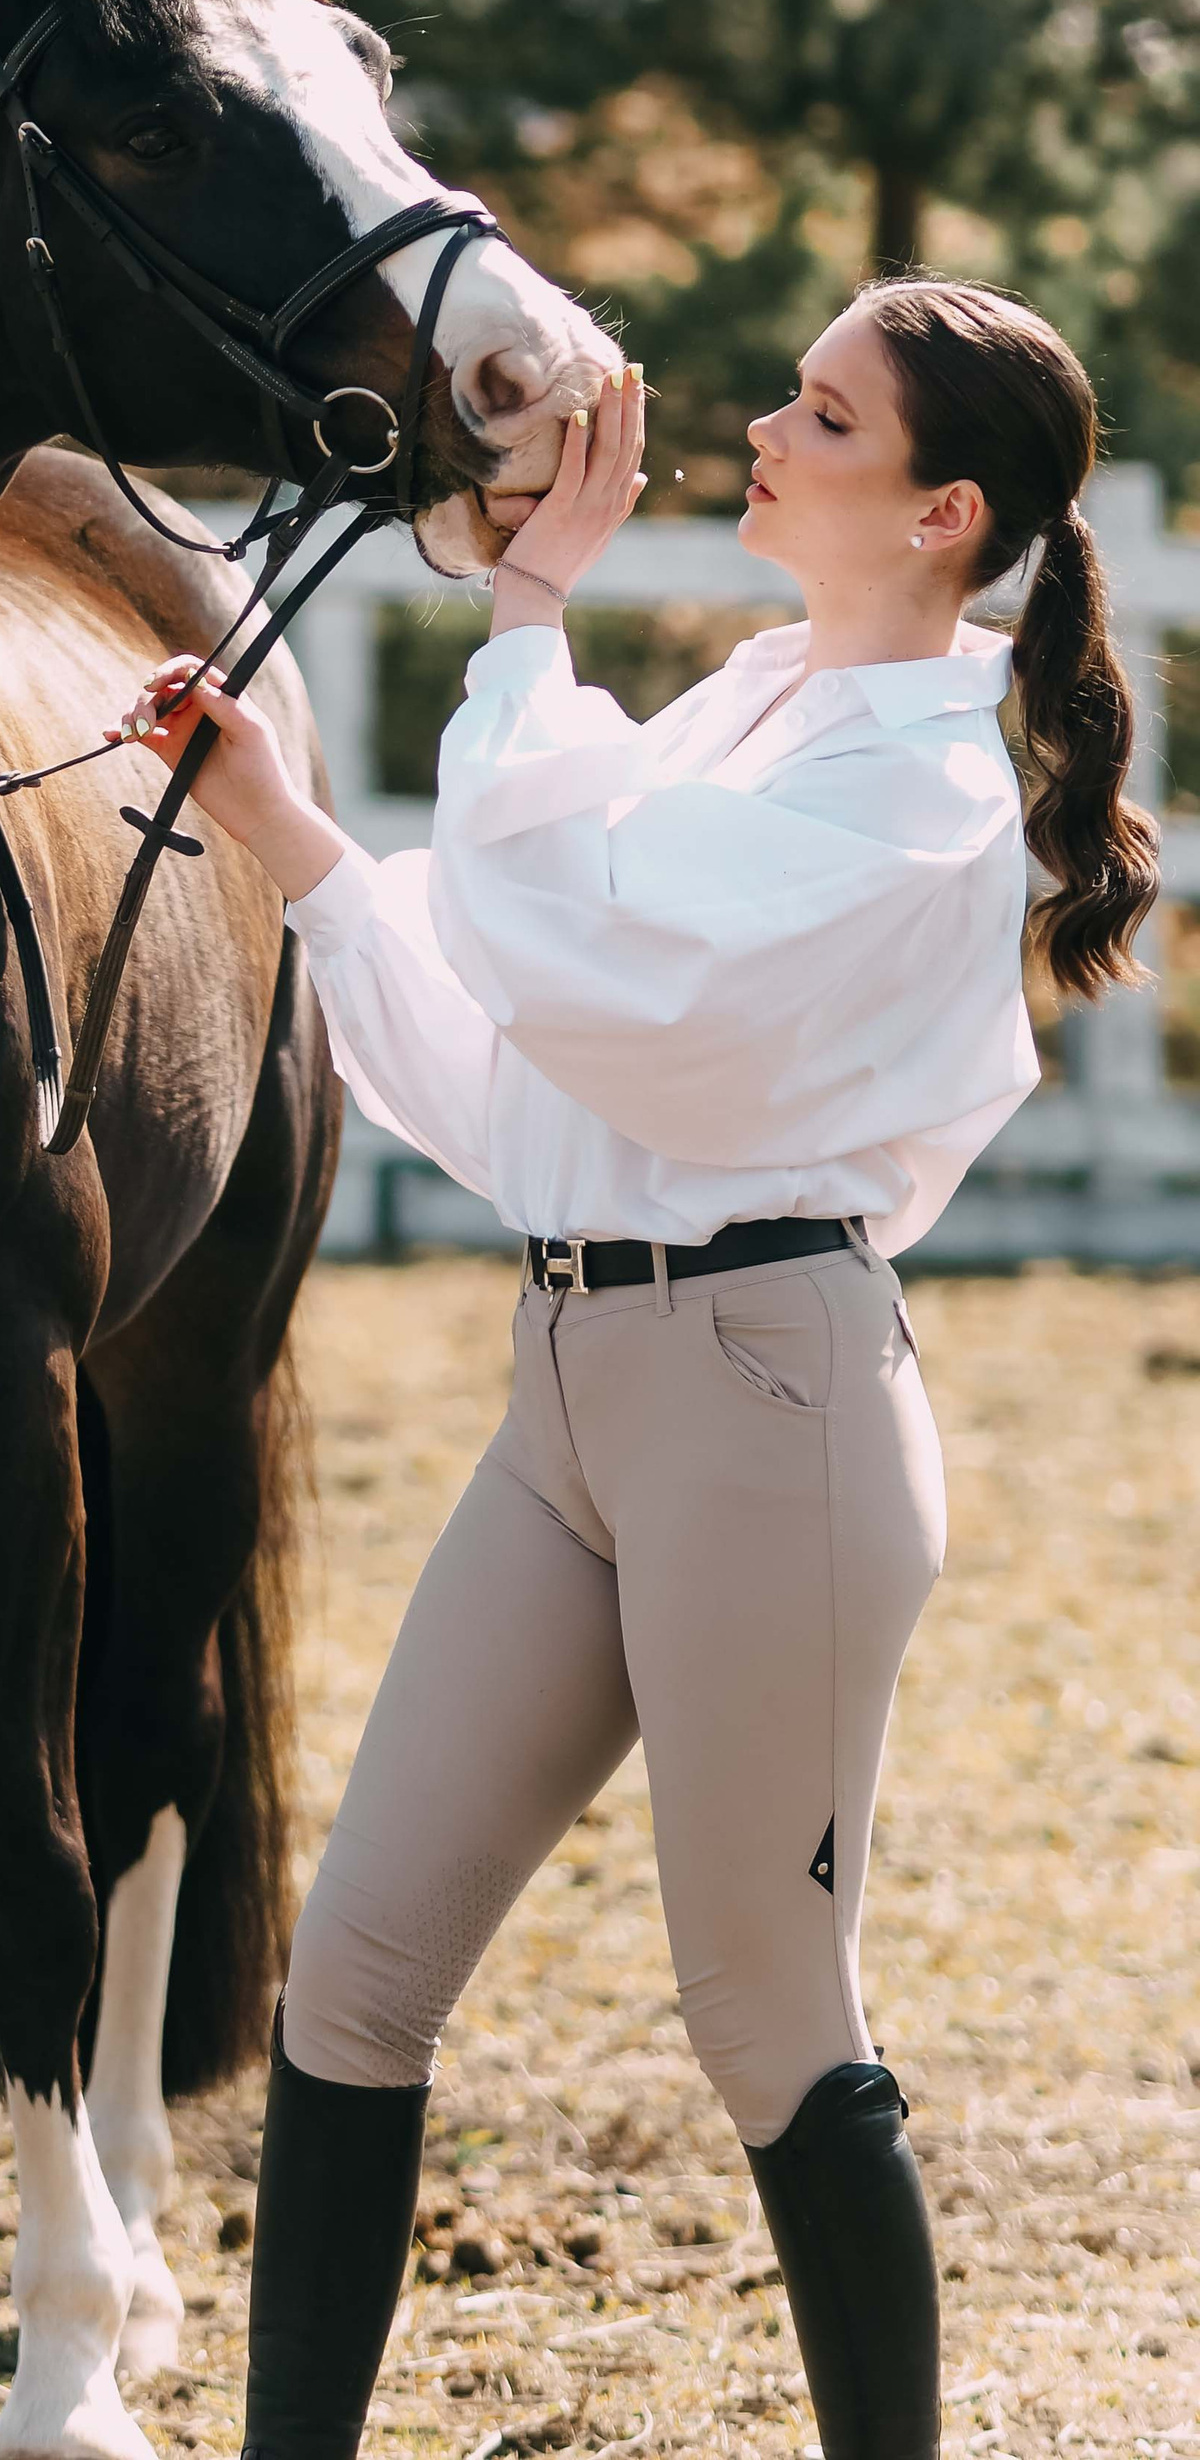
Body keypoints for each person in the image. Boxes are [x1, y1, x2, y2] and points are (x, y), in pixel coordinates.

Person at [111, 278, 1158, 2460]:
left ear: (944, 512)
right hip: (573, 1381)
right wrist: (285, 826)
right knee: (355, 1979)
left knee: (765, 2013)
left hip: (764, 1407)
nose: (763, 425)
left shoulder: (915, 792)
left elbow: (591, 956)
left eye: (825, 415)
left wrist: (525, 617)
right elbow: (529, 1078)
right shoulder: (756, 708)